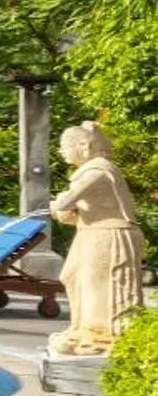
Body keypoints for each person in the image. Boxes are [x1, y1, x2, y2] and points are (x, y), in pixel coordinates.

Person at [50, 121, 145, 355]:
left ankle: (101, 337)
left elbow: (65, 202)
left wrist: (59, 203)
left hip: (109, 234)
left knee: (98, 283)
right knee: (71, 276)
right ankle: (81, 329)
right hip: (90, 232)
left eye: (65, 145)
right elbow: (73, 214)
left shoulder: (98, 172)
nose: (61, 151)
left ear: (84, 146)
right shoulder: (88, 172)